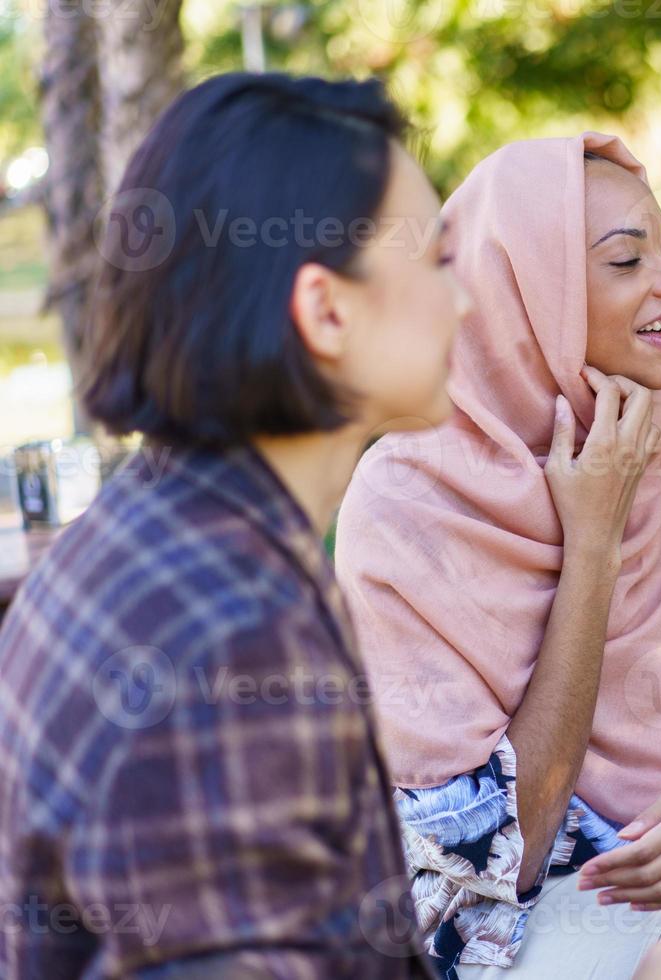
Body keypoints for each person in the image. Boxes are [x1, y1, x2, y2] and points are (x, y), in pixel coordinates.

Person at [332, 133, 661, 976]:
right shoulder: (406, 505)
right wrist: (593, 545)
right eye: (625, 260)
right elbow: (506, 856)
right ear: (524, 293)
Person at [0, 73, 469, 976]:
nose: (467, 301)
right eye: (439, 261)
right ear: (326, 310)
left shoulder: (148, 533)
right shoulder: (233, 637)